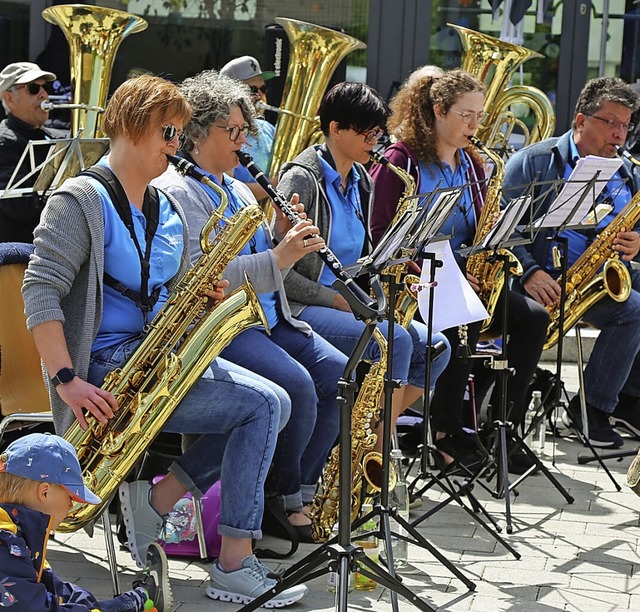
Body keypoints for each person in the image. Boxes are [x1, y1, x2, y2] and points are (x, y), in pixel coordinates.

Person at [21, 74, 307, 607]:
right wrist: (66, 381)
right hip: (104, 368)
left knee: (276, 404)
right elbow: (40, 293)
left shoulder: (166, 206)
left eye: (178, 135)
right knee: (265, 404)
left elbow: (174, 287)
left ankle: (162, 501)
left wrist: (204, 295)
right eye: (169, 133)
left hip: (158, 358)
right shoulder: (78, 200)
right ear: (132, 127)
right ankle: (233, 563)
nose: (177, 146)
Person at [152, 69, 347, 541]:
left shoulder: (239, 188)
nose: (245, 142)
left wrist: (283, 234)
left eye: (246, 131)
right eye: (234, 131)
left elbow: (265, 262)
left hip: (269, 318)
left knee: (343, 373)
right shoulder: (179, 192)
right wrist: (280, 254)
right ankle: (283, 498)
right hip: (222, 327)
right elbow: (202, 276)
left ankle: (297, 483)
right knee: (296, 388)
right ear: (197, 132)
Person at [370, 69, 549, 473]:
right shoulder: (402, 159)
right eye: (465, 115)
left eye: (479, 116)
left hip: (466, 276)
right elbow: (381, 233)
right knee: (462, 321)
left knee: (534, 318)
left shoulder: (472, 164)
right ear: (437, 110)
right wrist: (437, 271)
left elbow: (480, 224)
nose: (474, 125)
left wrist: (496, 226)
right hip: (417, 280)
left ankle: (501, 426)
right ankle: (445, 433)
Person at [277, 81, 451, 458]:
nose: (375, 140)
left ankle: (362, 434)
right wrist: (334, 299)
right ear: (335, 128)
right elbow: (280, 271)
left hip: (346, 302)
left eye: (378, 132)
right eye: (366, 132)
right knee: (397, 341)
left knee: (437, 347)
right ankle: (374, 451)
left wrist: (386, 288)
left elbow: (364, 260)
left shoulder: (361, 181)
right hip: (301, 307)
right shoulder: (301, 179)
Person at [503, 76, 640, 449]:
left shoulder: (628, 170)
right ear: (581, 121)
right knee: (634, 309)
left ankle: (628, 399)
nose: (620, 135)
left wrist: (637, 241)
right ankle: (591, 409)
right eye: (611, 123)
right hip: (546, 277)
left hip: (607, 273)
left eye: (626, 125)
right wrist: (531, 271)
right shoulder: (533, 162)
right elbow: (502, 226)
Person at [0, 432, 171, 611]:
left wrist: (94, 605)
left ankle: (137, 600)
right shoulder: (7, 543)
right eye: (70, 496)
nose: (71, 505)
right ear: (45, 492)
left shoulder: (18, 533)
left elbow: (53, 589)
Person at [0, 61, 63, 242]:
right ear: (10, 99)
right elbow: (19, 205)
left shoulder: (52, 136)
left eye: (45, 87)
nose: (44, 94)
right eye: (33, 88)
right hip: (19, 253)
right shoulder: (5, 142)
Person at [221, 55, 276, 200]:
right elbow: (229, 189)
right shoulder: (223, 133)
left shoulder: (268, 128)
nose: (260, 95)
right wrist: (275, 185)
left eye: (263, 89)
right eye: (252, 89)